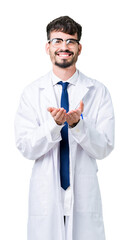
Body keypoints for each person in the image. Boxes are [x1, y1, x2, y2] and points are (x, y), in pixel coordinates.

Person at [14, 16, 115, 240]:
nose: (64, 47)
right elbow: (26, 147)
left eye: (70, 41)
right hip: (46, 197)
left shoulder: (98, 92)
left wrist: (78, 124)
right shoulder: (32, 93)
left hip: (83, 195)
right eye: (57, 41)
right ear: (48, 47)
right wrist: (55, 125)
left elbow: (104, 148)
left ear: (79, 48)